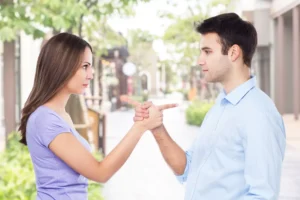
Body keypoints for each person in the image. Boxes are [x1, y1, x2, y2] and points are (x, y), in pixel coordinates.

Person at [124, 13, 286, 200]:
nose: (200, 60)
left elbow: (262, 195)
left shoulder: (259, 114)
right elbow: (187, 168)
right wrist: (157, 128)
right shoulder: (221, 106)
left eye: (207, 51)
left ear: (233, 53)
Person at [18, 32, 177, 199]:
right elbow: (100, 173)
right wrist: (140, 127)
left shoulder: (58, 115)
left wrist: (140, 125)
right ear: (62, 66)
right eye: (85, 66)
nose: (91, 74)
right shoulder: (46, 120)